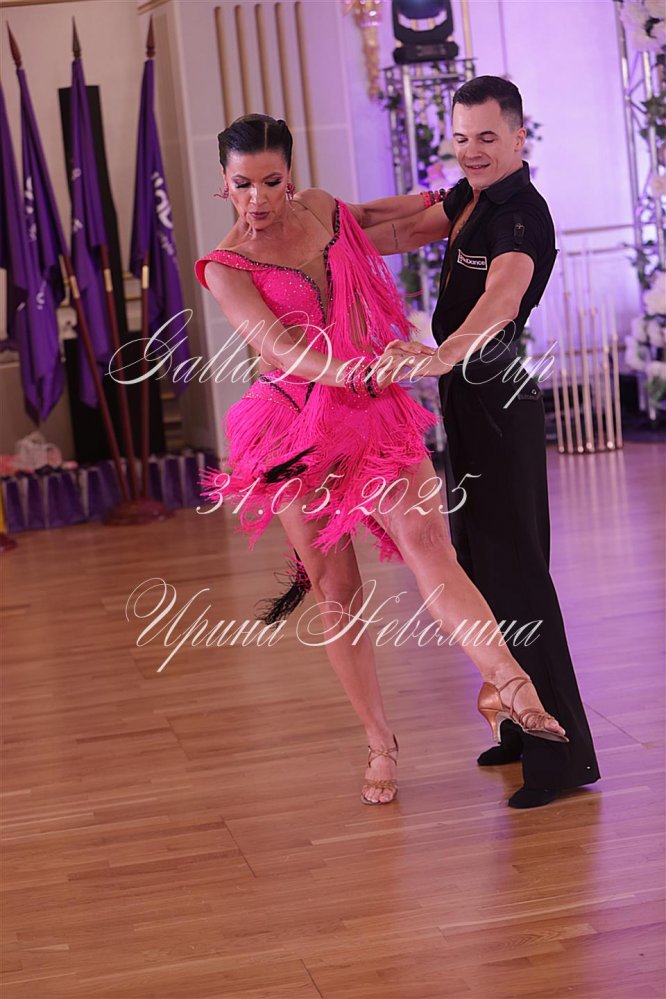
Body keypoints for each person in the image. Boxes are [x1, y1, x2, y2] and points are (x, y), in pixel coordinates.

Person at [194, 112, 568, 807]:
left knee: (430, 544)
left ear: (290, 175)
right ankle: (378, 741)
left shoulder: (322, 210)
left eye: (271, 181)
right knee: (337, 590)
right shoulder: (225, 265)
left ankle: (511, 684)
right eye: (243, 184)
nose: (257, 198)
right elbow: (280, 347)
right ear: (224, 181)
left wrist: (460, 195)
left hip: (372, 409)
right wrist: (350, 372)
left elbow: (375, 219)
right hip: (294, 428)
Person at [367, 77, 600, 809]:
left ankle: (561, 756)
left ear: (519, 137)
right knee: (480, 570)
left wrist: (440, 355)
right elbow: (395, 229)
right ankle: (517, 723)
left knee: (519, 578)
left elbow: (502, 298)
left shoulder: (521, 215)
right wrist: (306, 230)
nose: (471, 150)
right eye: (462, 137)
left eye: (488, 137)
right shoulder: (471, 197)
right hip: (468, 403)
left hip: (498, 400)